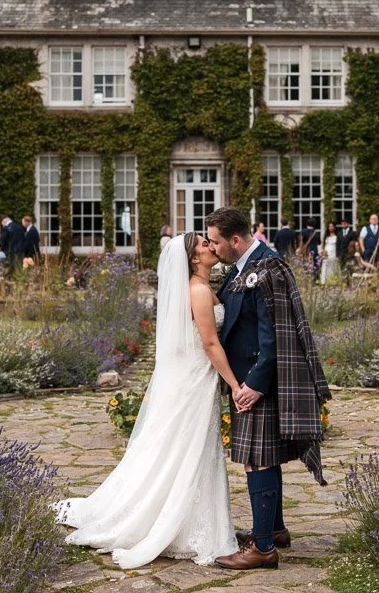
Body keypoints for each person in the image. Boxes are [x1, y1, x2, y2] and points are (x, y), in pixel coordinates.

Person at [56, 232, 244, 567]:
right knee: (188, 450)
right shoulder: (199, 291)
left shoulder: (203, 288)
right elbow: (210, 345)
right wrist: (236, 384)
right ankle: (178, 524)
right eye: (204, 244)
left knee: (190, 451)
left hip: (192, 379)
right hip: (193, 382)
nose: (210, 246)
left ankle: (192, 523)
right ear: (192, 258)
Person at [205, 206, 330, 570]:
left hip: (258, 382)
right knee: (263, 457)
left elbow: (277, 335)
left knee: (256, 459)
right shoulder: (244, 268)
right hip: (250, 379)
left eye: (215, 242)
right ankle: (273, 530)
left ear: (235, 240)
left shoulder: (266, 269)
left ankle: (262, 549)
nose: (213, 248)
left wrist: (255, 385)